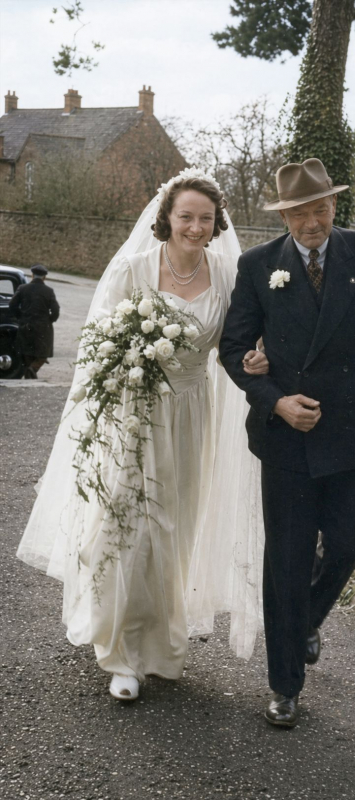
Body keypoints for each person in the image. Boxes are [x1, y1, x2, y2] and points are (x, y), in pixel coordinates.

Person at [17, 169, 268, 702]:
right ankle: (123, 656)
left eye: (205, 218)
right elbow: (97, 344)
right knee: (127, 528)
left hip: (192, 413)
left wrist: (253, 356)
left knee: (173, 532)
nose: (195, 227)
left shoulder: (227, 273)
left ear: (216, 221)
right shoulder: (133, 269)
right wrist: (120, 375)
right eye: (186, 217)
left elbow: (237, 341)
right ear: (167, 218)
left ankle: (160, 644)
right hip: (132, 415)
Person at [219, 158, 355, 727]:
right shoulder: (258, 266)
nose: (312, 222)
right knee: (285, 560)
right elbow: (234, 349)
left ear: (336, 206)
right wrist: (275, 399)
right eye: (300, 212)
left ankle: (303, 619)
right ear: (284, 215)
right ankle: (284, 683)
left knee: (351, 542)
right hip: (285, 437)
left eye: (321, 209)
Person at [9, 263, 60, 379]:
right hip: (43, 327)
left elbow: (12, 305)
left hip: (25, 325)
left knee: (27, 353)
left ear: (32, 275)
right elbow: (55, 310)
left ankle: (30, 374)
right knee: (43, 354)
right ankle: (32, 371)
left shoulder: (23, 288)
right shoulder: (48, 291)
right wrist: (49, 320)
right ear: (44, 277)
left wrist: (20, 317)